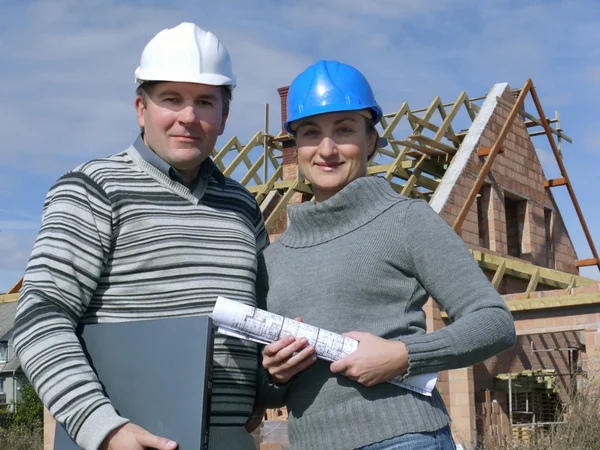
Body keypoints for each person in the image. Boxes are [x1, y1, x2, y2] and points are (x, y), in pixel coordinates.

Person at [13, 23, 268, 450]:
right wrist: (105, 430)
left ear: (223, 116)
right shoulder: (93, 189)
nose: (189, 117)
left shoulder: (243, 207)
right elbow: (39, 319)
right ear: (140, 108)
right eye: (171, 99)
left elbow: (260, 327)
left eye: (205, 102)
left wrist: (270, 377)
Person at [257, 60, 516, 450]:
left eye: (344, 130)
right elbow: (272, 396)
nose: (326, 149)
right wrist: (275, 376)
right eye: (311, 133)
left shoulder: (405, 220)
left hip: (403, 439)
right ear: (296, 147)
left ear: (370, 140)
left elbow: (494, 323)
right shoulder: (274, 259)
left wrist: (402, 355)